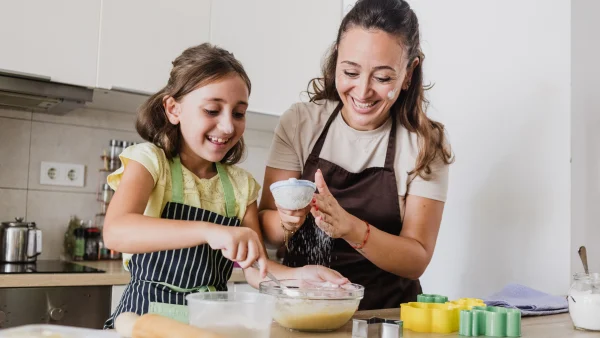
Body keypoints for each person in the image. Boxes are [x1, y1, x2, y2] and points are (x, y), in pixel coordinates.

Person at [102, 43, 348, 328]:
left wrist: (300, 276)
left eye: (238, 113)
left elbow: (257, 271)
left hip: (206, 327)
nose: (228, 127)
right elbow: (116, 232)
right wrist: (210, 231)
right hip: (142, 324)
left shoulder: (240, 185)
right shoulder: (151, 163)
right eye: (211, 110)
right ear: (173, 108)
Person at [258, 0, 454, 310]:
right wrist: (288, 220)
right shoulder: (300, 123)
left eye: (383, 78)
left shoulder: (424, 144)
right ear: (337, 58)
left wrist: (349, 227)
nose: (362, 92)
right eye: (350, 71)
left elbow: (417, 258)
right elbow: (267, 232)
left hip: (387, 314)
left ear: (408, 73)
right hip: (301, 309)